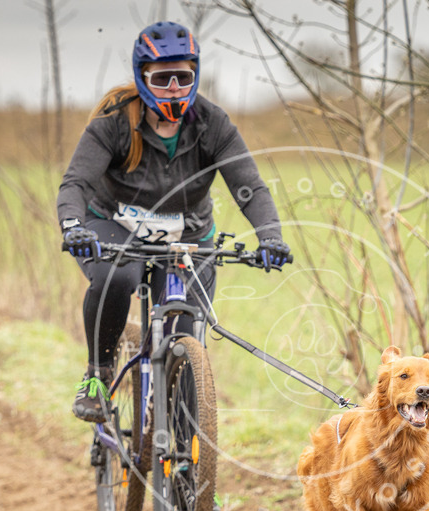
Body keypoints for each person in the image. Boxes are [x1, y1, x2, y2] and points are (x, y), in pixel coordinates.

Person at [57, 20, 291, 422]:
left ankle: (191, 470)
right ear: (142, 77)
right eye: (162, 78)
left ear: (195, 76)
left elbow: (249, 187)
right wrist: (73, 227)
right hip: (114, 226)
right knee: (117, 278)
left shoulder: (212, 124)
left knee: (187, 335)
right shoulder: (114, 123)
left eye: (183, 77)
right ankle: (98, 374)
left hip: (189, 234)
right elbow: (76, 183)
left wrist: (270, 236)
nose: (174, 89)